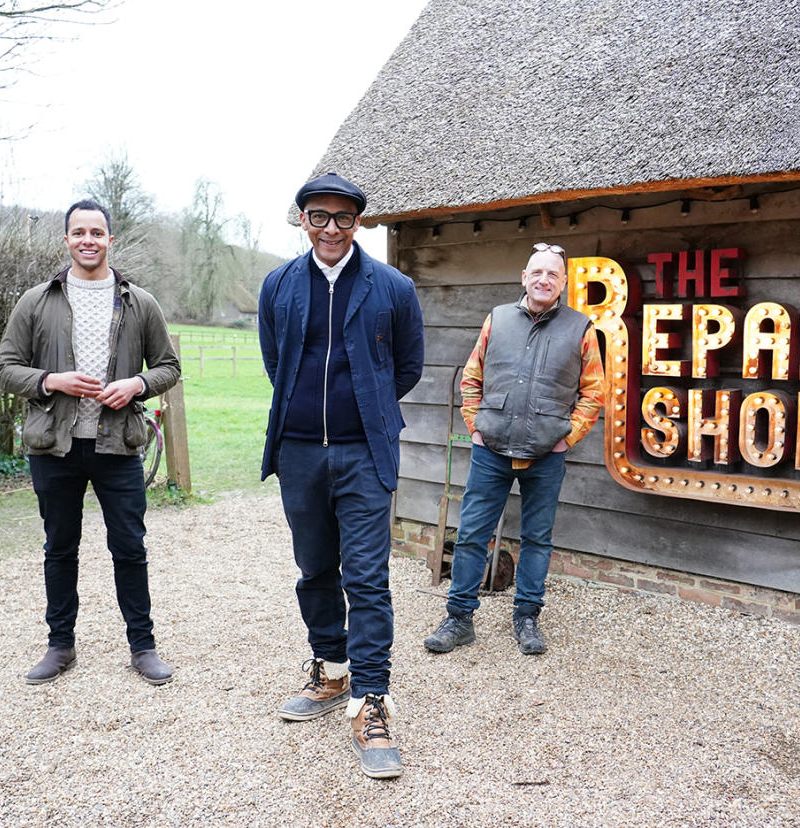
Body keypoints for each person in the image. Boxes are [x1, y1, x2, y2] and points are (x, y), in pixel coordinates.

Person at [258, 173, 424, 780]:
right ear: (301, 219)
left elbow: (406, 366)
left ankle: (370, 700)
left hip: (364, 454)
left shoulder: (393, 287)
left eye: (343, 218)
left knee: (368, 577)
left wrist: (366, 408)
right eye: (318, 217)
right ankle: (331, 673)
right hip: (300, 453)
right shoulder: (279, 285)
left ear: (360, 223)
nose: (331, 228)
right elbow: (278, 363)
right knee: (315, 571)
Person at [0, 199, 181, 686]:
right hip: (54, 447)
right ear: (66, 240)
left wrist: (136, 385)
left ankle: (143, 647)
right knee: (60, 548)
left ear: (110, 240)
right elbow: (4, 368)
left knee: (130, 548)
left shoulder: (141, 302)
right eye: (79, 233)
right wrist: (52, 380)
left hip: (118, 445)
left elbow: (169, 367)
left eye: (97, 232)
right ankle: (60, 645)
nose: (88, 240)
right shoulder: (37, 301)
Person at [423, 243, 604, 656]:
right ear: (524, 276)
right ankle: (459, 618)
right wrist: (477, 427)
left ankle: (526, 618)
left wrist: (568, 437)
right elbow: (472, 378)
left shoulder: (581, 328)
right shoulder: (498, 319)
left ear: (563, 283)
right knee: (471, 535)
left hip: (546, 456)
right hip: (492, 450)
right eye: (537, 272)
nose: (544, 280)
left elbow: (594, 392)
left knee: (536, 539)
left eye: (552, 275)